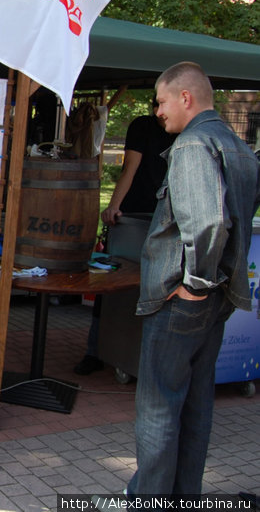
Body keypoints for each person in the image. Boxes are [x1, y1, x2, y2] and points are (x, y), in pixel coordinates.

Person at [127, 62, 260, 497]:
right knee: (195, 404)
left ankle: (148, 502)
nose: (157, 111)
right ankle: (183, 497)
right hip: (218, 300)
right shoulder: (237, 146)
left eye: (162, 101)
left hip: (184, 299)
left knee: (159, 407)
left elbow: (208, 223)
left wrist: (195, 284)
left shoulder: (192, 145)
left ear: (186, 98)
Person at [73, 98, 177, 376]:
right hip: (133, 216)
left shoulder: (186, 131)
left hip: (162, 218)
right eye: (155, 103)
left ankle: (132, 354)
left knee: (146, 287)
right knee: (113, 283)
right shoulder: (144, 126)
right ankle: (97, 350)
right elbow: (130, 168)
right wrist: (115, 206)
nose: (159, 111)